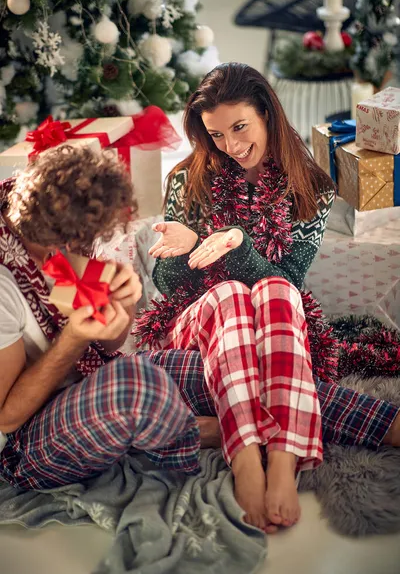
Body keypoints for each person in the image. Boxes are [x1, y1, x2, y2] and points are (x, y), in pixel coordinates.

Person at [135, 62, 400, 533]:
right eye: (216, 135)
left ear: (267, 114)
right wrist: (193, 244)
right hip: (196, 331)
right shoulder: (186, 179)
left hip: (271, 328)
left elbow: (290, 281)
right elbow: (169, 285)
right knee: (232, 294)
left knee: (273, 288)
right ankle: (246, 463)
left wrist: (239, 244)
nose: (231, 146)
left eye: (239, 127)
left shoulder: (313, 187)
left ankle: (279, 460)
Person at [0, 145, 218, 492]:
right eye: (80, 241)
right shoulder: (5, 284)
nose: (80, 254)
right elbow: (7, 418)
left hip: (87, 389)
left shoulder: (62, 235)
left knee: (214, 366)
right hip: (23, 447)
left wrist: (124, 300)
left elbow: (108, 342)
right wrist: (74, 337)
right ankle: (208, 432)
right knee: (134, 379)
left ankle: (309, 412)